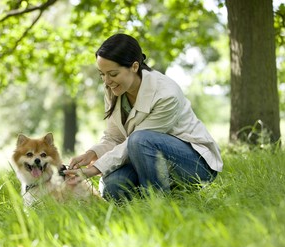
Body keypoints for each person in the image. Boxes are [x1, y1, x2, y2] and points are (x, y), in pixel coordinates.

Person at [64, 33, 223, 202]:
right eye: (102, 74)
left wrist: (94, 169)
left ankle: (157, 203)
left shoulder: (166, 94)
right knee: (114, 187)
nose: (107, 81)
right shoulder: (114, 89)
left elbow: (137, 140)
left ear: (134, 66)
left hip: (193, 164)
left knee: (140, 139)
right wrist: (92, 154)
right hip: (147, 160)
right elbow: (114, 137)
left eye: (112, 74)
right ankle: (166, 195)